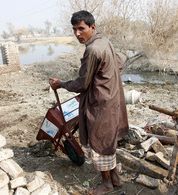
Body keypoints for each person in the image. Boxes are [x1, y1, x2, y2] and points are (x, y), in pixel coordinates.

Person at [49, 10, 129, 195]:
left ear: (93, 27)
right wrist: (105, 80)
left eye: (81, 29)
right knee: (108, 141)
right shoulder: (104, 42)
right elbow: (118, 64)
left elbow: (81, 84)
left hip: (101, 105)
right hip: (112, 99)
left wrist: (60, 84)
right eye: (74, 29)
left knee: (100, 143)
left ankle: (106, 184)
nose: (77, 34)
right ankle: (115, 178)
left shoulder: (93, 49)